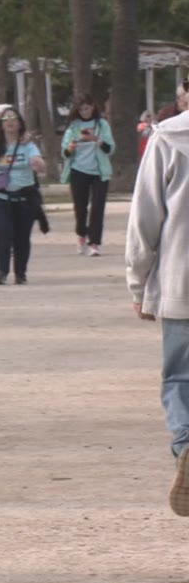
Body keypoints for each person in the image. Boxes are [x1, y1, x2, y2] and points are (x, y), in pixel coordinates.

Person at [126, 111, 189, 516]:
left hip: (183, 280)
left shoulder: (168, 138)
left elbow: (145, 216)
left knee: (182, 377)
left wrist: (138, 281)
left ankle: (186, 444)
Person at [0, 109, 46, 285]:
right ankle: (1, 270)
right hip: (0, 197)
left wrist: (38, 164)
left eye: (13, 118)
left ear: (20, 123)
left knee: (22, 237)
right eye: (6, 119)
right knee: (3, 233)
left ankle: (20, 273)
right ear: (0, 125)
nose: (10, 122)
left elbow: (39, 162)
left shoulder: (28, 145)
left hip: (24, 197)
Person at [60, 94, 114, 257]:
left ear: (93, 107)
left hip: (99, 173)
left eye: (87, 108)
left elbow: (110, 148)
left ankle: (94, 242)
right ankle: (81, 235)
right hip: (78, 171)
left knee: (97, 207)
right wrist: (72, 146)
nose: (84, 112)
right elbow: (65, 153)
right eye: (81, 109)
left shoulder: (102, 125)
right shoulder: (73, 127)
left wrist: (95, 139)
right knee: (80, 208)